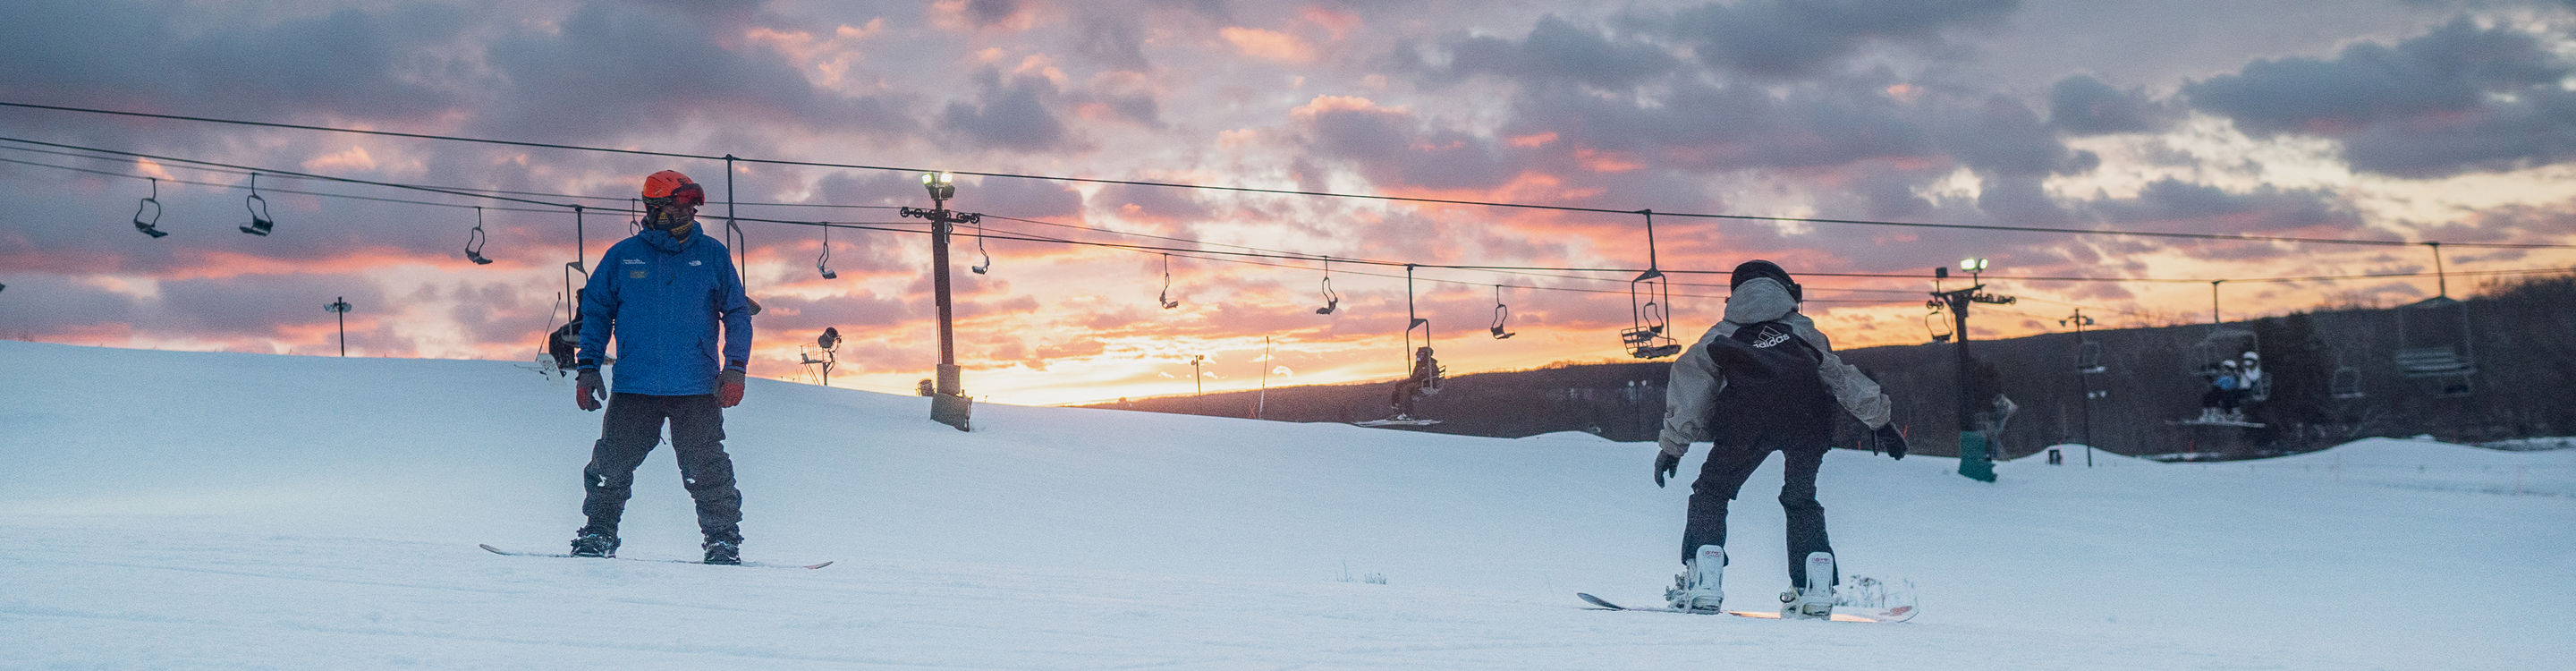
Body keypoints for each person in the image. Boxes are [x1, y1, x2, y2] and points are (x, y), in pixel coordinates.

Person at [1653, 259, 1907, 618]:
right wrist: (1881, 423)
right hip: (1809, 417)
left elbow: (1692, 385)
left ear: (1734, 296)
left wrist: (1673, 447)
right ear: (1786, 292)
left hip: (1746, 419)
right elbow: (1838, 375)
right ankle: (1813, 586)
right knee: (1801, 498)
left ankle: (1704, 581)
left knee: (1712, 491)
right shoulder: (1801, 329)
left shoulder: (1719, 334)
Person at [569, 169, 756, 565]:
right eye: (679, 205)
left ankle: (722, 541)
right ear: (654, 207)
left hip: (696, 386)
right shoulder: (622, 257)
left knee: (707, 469)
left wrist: (736, 367)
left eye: (691, 206)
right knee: (611, 465)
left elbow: (737, 313)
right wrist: (587, 367)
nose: (688, 213)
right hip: (635, 386)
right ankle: (598, 534)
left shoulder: (713, 256)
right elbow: (596, 313)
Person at [1388, 345, 1441, 420]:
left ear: (1425, 355)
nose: (1418, 357)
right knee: (1398, 385)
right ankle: (1397, 410)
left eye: (1421, 355)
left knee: (1406, 389)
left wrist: (1409, 381)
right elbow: (1415, 376)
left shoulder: (1430, 364)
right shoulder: (1419, 365)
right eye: (1418, 355)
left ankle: (1408, 413)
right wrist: (1409, 380)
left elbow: (1422, 376)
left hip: (1426, 383)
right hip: (1419, 382)